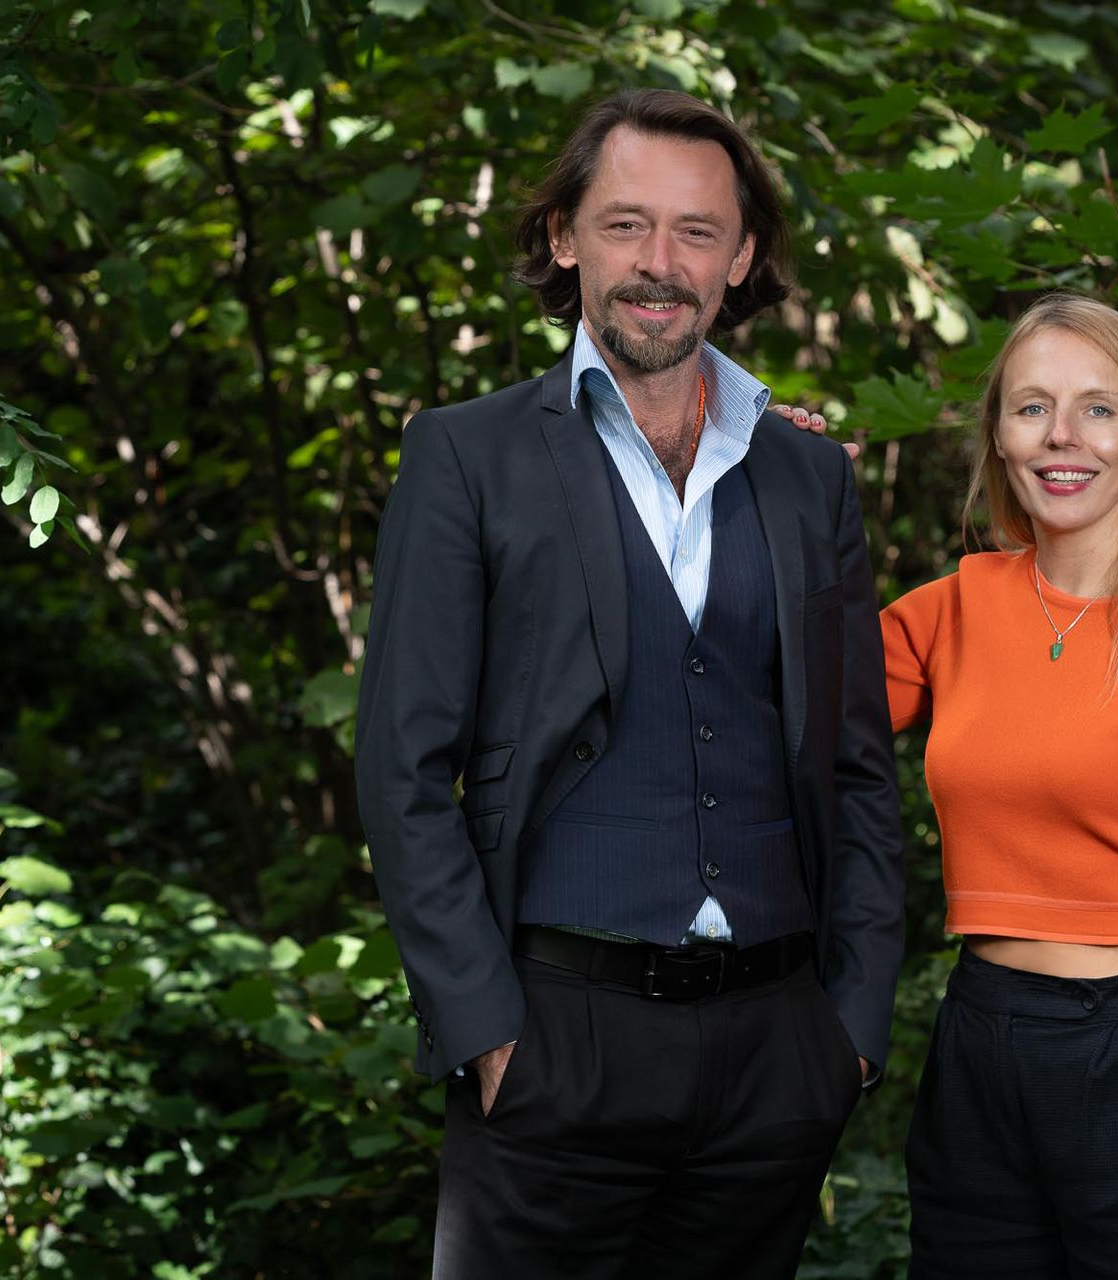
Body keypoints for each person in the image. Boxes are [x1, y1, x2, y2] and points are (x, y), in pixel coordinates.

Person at [354, 88, 904, 1279]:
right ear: (565, 236)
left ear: (741, 255)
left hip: (775, 1053)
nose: (661, 262)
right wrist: (485, 1029)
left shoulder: (808, 473)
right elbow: (402, 771)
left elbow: (859, 765)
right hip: (553, 1038)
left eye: (698, 231)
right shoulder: (467, 454)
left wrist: (850, 1027)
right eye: (625, 224)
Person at [786, 292, 1118, 1277]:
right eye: (1032, 407)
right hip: (982, 1042)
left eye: (1098, 408)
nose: (1061, 436)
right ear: (999, 436)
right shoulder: (955, 608)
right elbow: (779, 708)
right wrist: (770, 497)